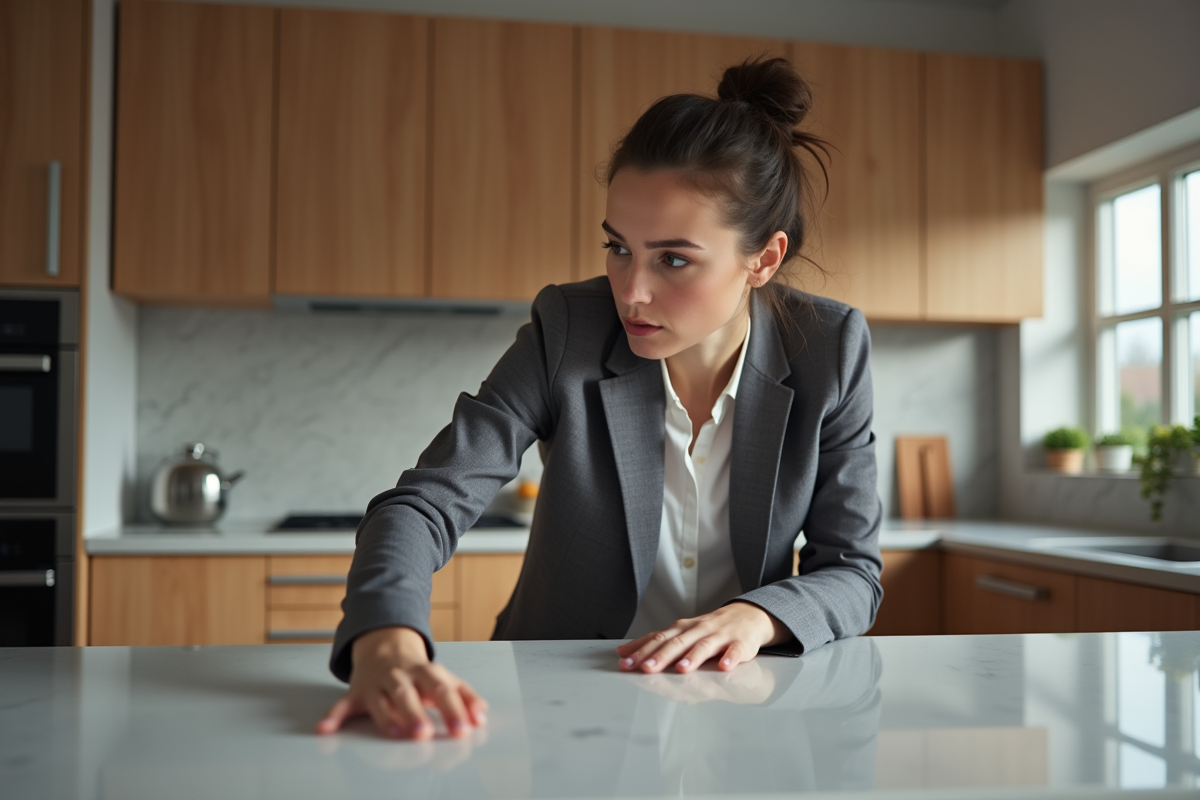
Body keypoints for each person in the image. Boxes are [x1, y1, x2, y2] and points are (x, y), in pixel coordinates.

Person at [316, 56, 883, 741]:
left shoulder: (830, 346)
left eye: (673, 259)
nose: (631, 291)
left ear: (762, 259)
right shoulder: (568, 327)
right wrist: (387, 639)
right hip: (565, 694)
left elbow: (851, 569)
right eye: (619, 248)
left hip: (744, 700)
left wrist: (756, 616)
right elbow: (425, 503)